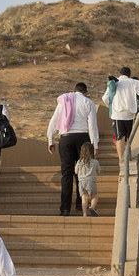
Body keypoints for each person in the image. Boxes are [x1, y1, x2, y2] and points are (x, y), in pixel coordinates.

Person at [47, 82, 99, 216]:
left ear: (74, 91)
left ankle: (65, 209)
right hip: (83, 139)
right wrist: (95, 145)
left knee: (66, 174)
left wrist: (51, 140)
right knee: (82, 172)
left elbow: (54, 121)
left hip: (65, 139)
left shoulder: (64, 101)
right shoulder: (89, 103)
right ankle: (80, 203)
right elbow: (92, 126)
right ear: (85, 93)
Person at [100, 66, 139, 164]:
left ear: (120, 74)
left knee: (120, 137)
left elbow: (105, 98)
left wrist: (111, 106)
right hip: (130, 114)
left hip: (117, 114)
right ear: (129, 75)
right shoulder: (134, 82)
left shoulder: (114, 82)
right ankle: (130, 157)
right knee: (131, 137)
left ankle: (121, 159)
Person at [74, 142, 100, 217]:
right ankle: (92, 207)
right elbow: (99, 171)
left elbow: (76, 171)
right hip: (91, 181)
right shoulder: (95, 162)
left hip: (81, 182)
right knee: (94, 196)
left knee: (84, 198)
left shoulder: (79, 161)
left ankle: (84, 213)